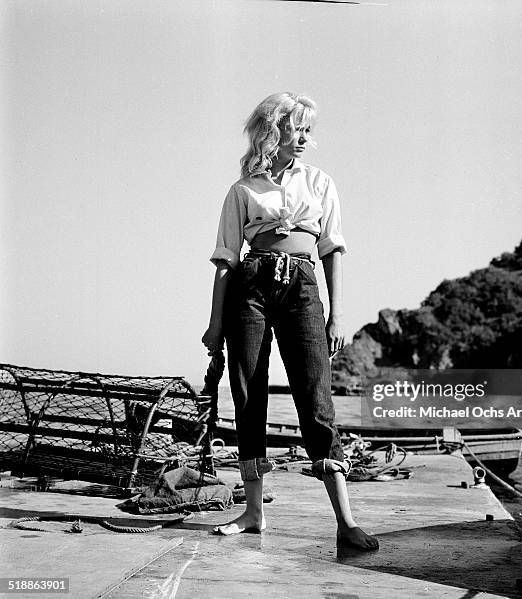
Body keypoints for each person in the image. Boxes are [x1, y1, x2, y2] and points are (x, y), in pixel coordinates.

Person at [202, 92, 378, 551]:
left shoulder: (320, 182)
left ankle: (346, 520)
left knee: (316, 397)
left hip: (302, 287)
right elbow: (225, 262)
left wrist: (338, 315)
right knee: (248, 394)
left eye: (307, 130)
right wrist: (215, 323)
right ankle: (254, 512)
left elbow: (332, 250)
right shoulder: (242, 190)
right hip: (251, 288)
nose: (304, 138)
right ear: (272, 129)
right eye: (296, 127)